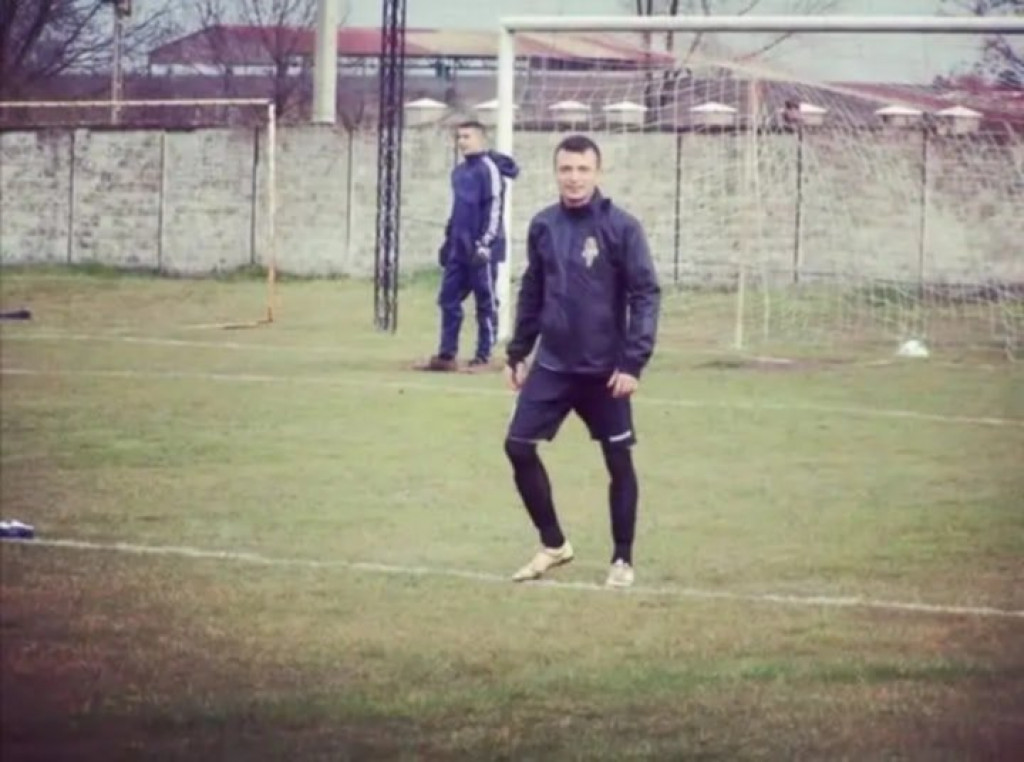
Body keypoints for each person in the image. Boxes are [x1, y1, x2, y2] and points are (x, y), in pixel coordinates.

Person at [503, 134, 661, 589]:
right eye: (566, 169)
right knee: (517, 447)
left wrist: (632, 362)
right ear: (556, 173)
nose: (574, 178)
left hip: (605, 372)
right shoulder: (543, 225)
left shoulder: (622, 227)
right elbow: (533, 289)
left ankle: (622, 559)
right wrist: (518, 351)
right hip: (553, 365)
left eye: (582, 169)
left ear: (597, 172)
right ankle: (554, 544)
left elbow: (646, 294)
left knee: (618, 460)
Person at [423, 120, 519, 371]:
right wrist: (448, 241)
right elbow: (458, 210)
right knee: (448, 298)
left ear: (480, 139)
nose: (462, 142)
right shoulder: (458, 172)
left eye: (467, 136)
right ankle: (447, 354)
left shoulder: (489, 170)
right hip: (459, 247)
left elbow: (494, 208)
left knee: (485, 301)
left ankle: (484, 355)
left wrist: (485, 244)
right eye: (459, 137)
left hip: (481, 248)